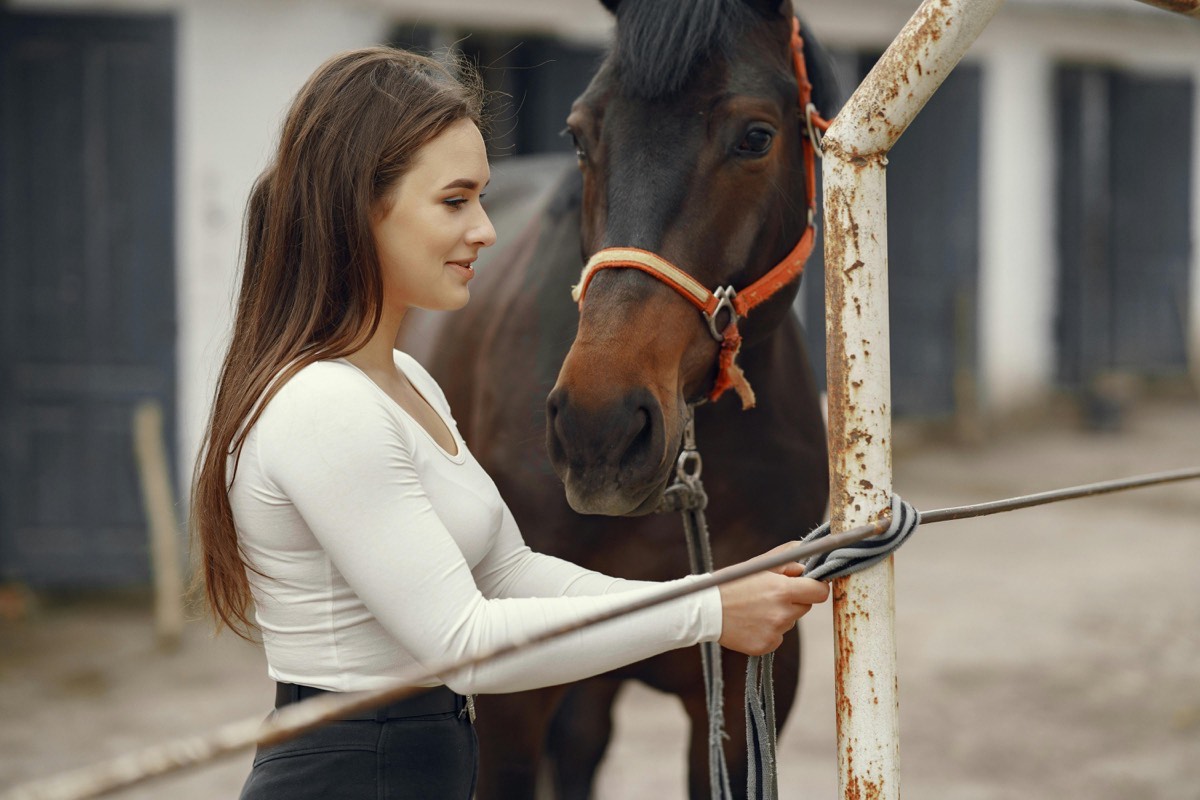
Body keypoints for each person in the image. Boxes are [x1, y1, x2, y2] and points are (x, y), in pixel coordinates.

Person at [191, 46, 830, 800]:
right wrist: (706, 613)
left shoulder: (406, 383)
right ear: (360, 206)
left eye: (483, 199)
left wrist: (719, 597)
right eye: (456, 201)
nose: (487, 232)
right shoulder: (324, 405)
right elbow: (464, 646)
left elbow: (509, 573)